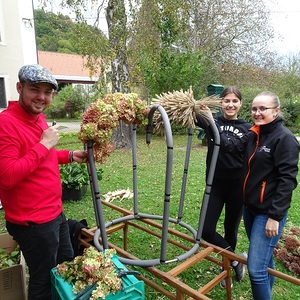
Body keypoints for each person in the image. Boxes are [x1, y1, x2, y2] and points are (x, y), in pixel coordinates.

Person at [0, 64, 88, 300]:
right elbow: (7, 177)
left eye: (47, 92)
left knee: (65, 265)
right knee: (43, 280)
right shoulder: (6, 124)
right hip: (33, 223)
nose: (41, 97)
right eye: (34, 89)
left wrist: (69, 155)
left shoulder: (37, 118)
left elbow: (41, 157)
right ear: (20, 88)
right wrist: (44, 144)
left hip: (54, 213)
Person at [202, 91, 299, 299]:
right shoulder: (254, 134)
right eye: (255, 108)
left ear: (276, 111)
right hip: (251, 209)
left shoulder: (285, 139)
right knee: (265, 262)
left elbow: (287, 181)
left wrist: (275, 216)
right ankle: (268, 292)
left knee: (256, 270)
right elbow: (230, 146)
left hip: (268, 213)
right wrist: (209, 120)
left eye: (263, 109)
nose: (257, 112)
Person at [195, 86, 251, 287]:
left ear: (240, 104)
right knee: (205, 229)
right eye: (226, 100)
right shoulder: (213, 121)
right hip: (215, 184)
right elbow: (189, 113)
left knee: (231, 229)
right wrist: (194, 105)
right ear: (220, 103)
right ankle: (236, 261)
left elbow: (228, 144)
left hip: (237, 186)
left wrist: (211, 121)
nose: (230, 104)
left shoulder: (248, 129)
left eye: (234, 101)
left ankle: (226, 267)